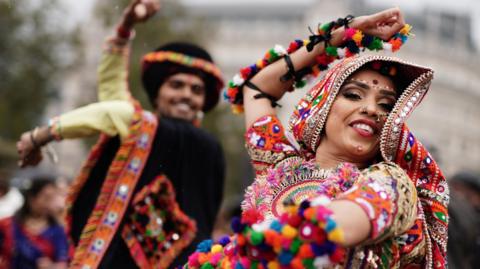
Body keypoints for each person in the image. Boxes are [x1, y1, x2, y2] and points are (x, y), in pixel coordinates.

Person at [185, 7, 448, 269]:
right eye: (354, 95)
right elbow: (256, 89)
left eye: (387, 106)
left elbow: (343, 220)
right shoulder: (281, 169)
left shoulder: (391, 183)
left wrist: (247, 252)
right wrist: (345, 33)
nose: (372, 110)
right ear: (321, 106)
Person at [16, 0, 225, 268]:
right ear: (157, 94)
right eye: (177, 85)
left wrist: (40, 136)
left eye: (197, 90)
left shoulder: (202, 144)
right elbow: (112, 97)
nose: (186, 94)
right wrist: (125, 29)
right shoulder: (143, 130)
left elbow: (118, 111)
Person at [0, 177, 69, 269]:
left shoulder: (58, 231)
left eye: (53, 199)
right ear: (32, 199)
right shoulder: (7, 225)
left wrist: (51, 266)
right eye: (46, 198)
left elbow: (63, 263)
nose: (50, 204)